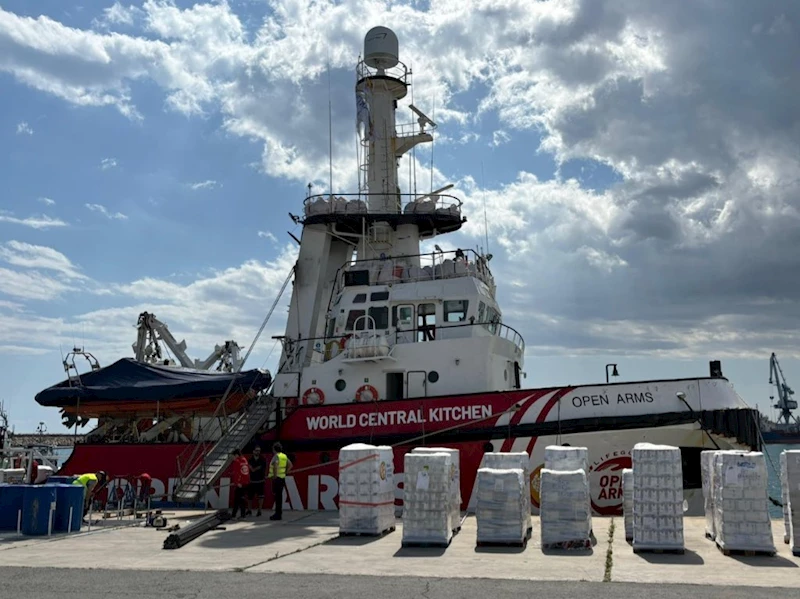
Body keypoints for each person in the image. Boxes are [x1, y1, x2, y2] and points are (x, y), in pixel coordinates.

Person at [267, 442, 293, 521]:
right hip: (282, 478)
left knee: (277, 497)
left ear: (274, 449)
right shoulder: (284, 456)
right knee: (279, 497)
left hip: (277, 479)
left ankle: (277, 514)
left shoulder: (276, 456)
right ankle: (279, 513)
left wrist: (274, 476)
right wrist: (285, 472)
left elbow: (275, 465)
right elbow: (290, 465)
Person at [247, 446, 267, 517]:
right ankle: (249, 510)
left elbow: (257, 468)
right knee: (250, 497)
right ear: (253, 451)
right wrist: (255, 468)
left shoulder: (263, 459)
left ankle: (259, 511)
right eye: (256, 450)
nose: (258, 452)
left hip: (260, 481)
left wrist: (254, 468)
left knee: (260, 497)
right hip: (252, 481)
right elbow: (251, 469)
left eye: (259, 450)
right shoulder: (250, 460)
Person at [230, 449, 250, 519]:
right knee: (242, 500)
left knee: (237, 500)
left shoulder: (236, 461)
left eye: (232, 456)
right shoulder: (244, 460)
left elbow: (236, 473)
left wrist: (237, 483)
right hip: (245, 482)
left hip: (240, 483)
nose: (232, 458)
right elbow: (245, 471)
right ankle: (242, 515)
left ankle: (234, 515)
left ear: (236, 455)